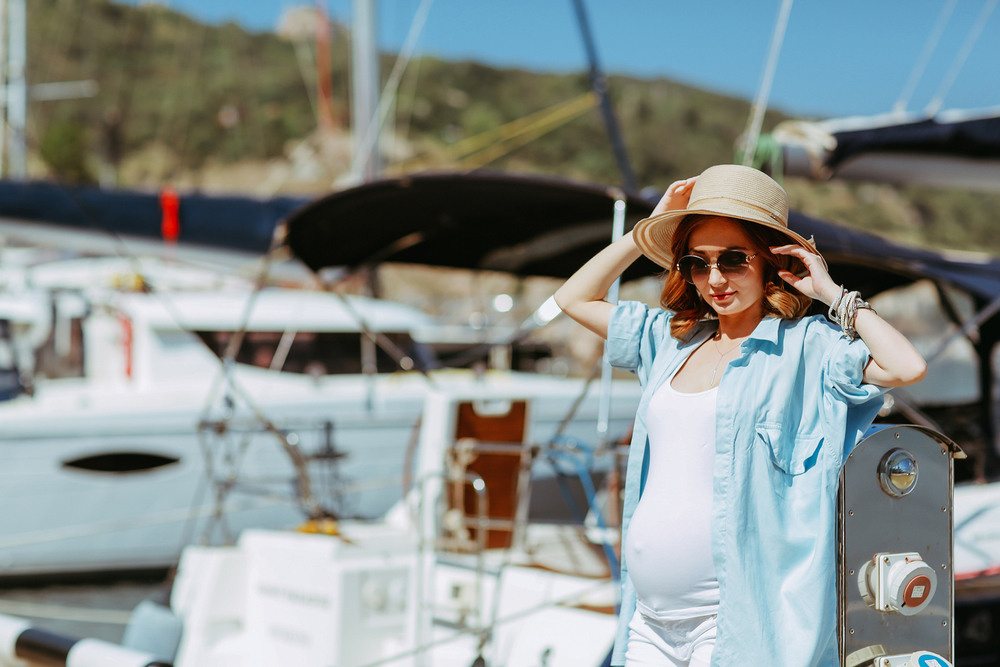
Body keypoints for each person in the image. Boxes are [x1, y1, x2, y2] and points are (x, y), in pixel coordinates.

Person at [553, 164, 927, 667]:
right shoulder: (668, 340)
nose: (714, 279)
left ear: (770, 260)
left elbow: (906, 366)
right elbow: (571, 298)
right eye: (696, 261)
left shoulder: (806, 347)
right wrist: (649, 231)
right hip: (648, 621)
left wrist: (833, 295)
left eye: (733, 260)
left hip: (736, 621)